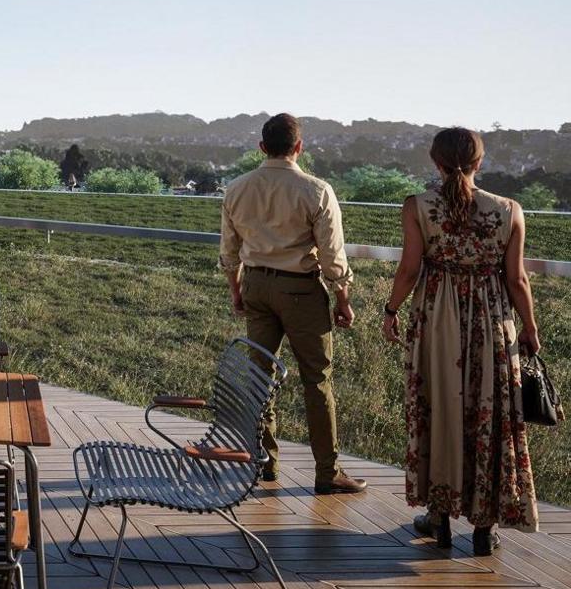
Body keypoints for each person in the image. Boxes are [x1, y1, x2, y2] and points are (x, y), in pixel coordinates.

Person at [382, 127, 540, 555]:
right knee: (489, 414)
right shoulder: (509, 210)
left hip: (437, 319)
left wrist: (391, 310)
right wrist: (530, 327)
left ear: (436, 162)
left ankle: (439, 517)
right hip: (491, 322)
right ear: (479, 162)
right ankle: (485, 528)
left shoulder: (418, 207)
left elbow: (409, 270)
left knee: (440, 407)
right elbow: (517, 279)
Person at [219, 113, 366, 494]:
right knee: (317, 381)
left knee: (259, 378)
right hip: (300, 290)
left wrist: (237, 291)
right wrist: (343, 298)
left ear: (262, 147)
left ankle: (264, 462)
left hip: (255, 286)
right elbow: (333, 256)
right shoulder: (316, 190)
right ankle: (327, 472)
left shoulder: (236, 189)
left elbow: (229, 252)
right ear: (299, 147)